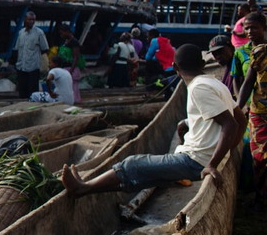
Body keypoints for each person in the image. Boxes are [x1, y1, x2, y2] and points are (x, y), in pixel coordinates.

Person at [64, 44, 240, 197]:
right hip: (200, 157)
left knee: (131, 163)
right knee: (144, 177)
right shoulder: (216, 84)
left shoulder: (198, 87)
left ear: (174, 67)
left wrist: (212, 164)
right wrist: (227, 151)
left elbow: (230, 124)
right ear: (202, 65)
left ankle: (83, 187)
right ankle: (85, 190)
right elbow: (240, 118)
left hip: (195, 162)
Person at [236, 11, 267, 209]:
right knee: (259, 156)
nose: (249, 31)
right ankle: (261, 196)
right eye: (246, 28)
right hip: (259, 112)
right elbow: (246, 83)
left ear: (264, 28)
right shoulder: (257, 53)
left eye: (253, 27)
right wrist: (237, 107)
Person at [12, 12, 49, 99]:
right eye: (29, 19)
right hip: (21, 66)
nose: (31, 21)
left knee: (33, 92)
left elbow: (45, 48)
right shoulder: (21, 33)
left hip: (33, 67)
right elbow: (17, 48)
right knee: (22, 90)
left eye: (33, 20)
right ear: (25, 20)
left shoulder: (39, 33)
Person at [54, 24, 86, 102]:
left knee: (73, 87)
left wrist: (71, 71)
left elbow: (76, 57)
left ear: (67, 32)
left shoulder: (74, 42)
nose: (61, 35)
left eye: (62, 33)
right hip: (66, 68)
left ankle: (74, 101)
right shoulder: (66, 41)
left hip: (72, 69)